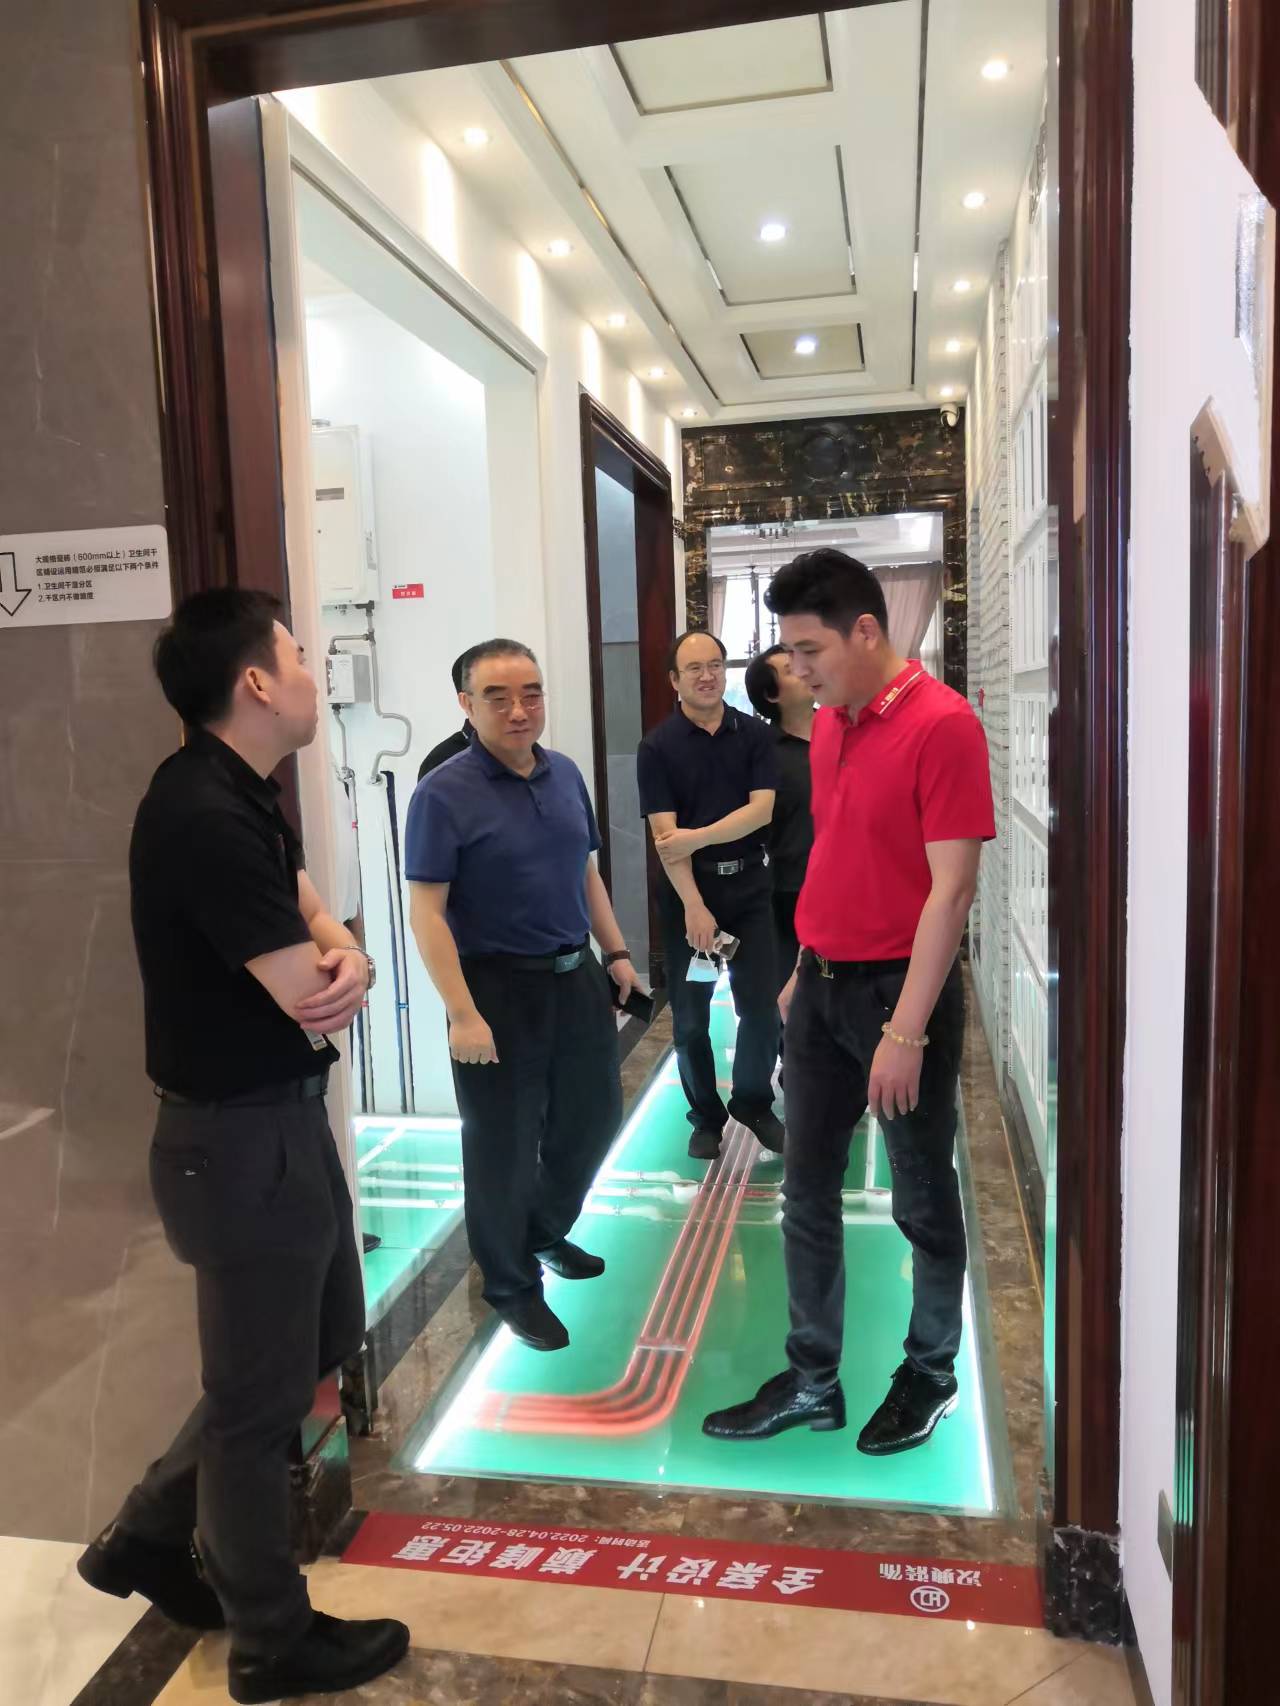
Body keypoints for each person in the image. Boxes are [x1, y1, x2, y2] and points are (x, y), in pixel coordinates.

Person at [78, 590, 408, 1705]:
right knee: (258, 1403)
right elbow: (310, 987)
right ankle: (271, 1635)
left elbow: (319, 927)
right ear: (257, 681)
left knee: (310, 1339)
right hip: (237, 1141)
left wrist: (345, 952)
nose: (315, 672)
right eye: (299, 655)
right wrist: (341, 961)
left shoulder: (240, 789)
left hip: (275, 1123)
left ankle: (145, 1535)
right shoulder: (203, 815)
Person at [703, 550, 995, 1457]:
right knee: (805, 1193)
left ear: (865, 631)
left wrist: (905, 1030)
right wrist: (806, 962)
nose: (795, 671)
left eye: (808, 650)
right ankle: (813, 1379)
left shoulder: (944, 726)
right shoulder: (832, 723)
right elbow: (835, 852)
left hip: (900, 993)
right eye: (788, 652)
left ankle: (931, 1372)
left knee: (920, 1196)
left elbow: (951, 891)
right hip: (822, 987)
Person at [405, 639, 640, 1352]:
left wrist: (617, 953)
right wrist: (462, 1013)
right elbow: (426, 912)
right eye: (498, 697)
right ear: (466, 705)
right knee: (502, 1145)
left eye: (531, 693)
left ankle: (541, 1231)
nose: (519, 710)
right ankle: (509, 1283)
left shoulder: (564, 773)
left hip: (575, 976)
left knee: (593, 1120)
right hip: (495, 989)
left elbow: (585, 872)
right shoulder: (442, 792)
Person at [637, 629, 784, 1162]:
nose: (707, 675)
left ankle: (753, 1101)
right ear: (674, 680)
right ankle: (705, 1117)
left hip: (749, 889)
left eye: (716, 665)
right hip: (689, 895)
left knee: (761, 1009)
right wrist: (695, 907)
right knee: (691, 1020)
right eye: (695, 668)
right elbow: (664, 838)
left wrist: (695, 837)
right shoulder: (657, 748)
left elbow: (761, 812)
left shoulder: (755, 735)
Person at [744, 642, 815, 998]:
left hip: (854, 885)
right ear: (772, 695)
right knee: (794, 998)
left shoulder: (845, 730)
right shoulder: (763, 753)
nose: (803, 670)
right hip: (791, 892)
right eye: (789, 670)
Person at [417, 650, 472, 780]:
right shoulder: (441, 764)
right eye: (499, 697)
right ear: (467, 701)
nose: (517, 710)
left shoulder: (520, 750)